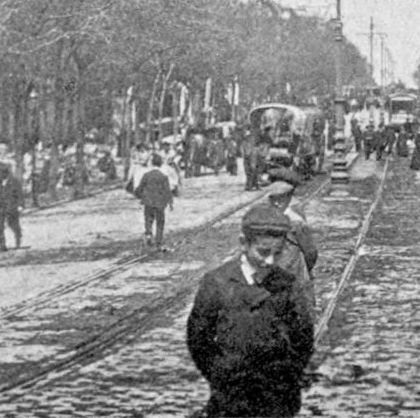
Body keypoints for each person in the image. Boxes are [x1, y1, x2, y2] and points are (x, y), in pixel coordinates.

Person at [187, 204, 315, 417]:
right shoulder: (217, 282)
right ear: (243, 243)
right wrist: (221, 372)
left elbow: (303, 337)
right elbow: (198, 338)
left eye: (277, 253)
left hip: (277, 397)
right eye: (263, 252)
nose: (270, 261)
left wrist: (287, 376)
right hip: (231, 396)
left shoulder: (287, 284)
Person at [265, 180, 318, 318]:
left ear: (288, 199)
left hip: (294, 274)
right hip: (274, 276)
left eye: (281, 199)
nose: (277, 203)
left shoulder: (296, 223)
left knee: (299, 309)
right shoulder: (265, 220)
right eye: (273, 200)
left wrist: (305, 268)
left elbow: (310, 252)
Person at [134, 153, 174, 250]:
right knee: (160, 222)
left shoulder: (146, 175)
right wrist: (170, 203)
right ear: (160, 164)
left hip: (148, 202)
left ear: (151, 163)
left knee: (148, 219)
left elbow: (140, 188)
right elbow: (167, 191)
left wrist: (138, 196)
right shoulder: (163, 176)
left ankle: (148, 234)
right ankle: (158, 242)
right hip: (160, 203)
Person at [0, 162, 24, 251]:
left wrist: (20, 205)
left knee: (13, 225)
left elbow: (20, 195)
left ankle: (18, 240)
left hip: (11, 207)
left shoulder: (14, 182)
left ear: (5, 173)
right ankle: (2, 245)